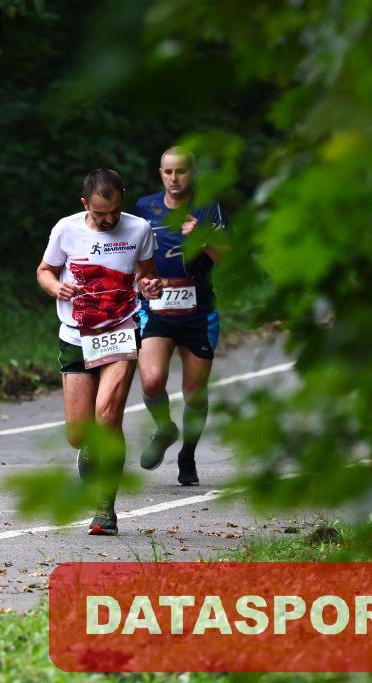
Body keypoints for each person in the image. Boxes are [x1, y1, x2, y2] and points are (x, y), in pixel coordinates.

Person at [37, 169, 162, 536]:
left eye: (115, 211)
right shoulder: (66, 229)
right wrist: (56, 287)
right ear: (85, 204)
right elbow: (44, 270)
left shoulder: (139, 229)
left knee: (108, 416)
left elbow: (146, 275)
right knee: (79, 435)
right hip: (76, 336)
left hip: (121, 330)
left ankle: (105, 508)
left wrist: (150, 286)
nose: (109, 220)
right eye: (100, 213)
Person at [132, 147, 228, 486]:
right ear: (160, 174)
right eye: (168, 172)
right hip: (156, 310)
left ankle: (187, 454)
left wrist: (203, 239)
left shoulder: (208, 208)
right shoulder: (145, 208)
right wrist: (142, 282)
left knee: (194, 392)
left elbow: (228, 258)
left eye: (181, 171)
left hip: (198, 314)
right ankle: (165, 428)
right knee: (151, 381)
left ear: (193, 173)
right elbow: (133, 256)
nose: (174, 178)